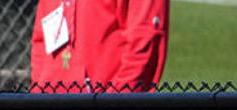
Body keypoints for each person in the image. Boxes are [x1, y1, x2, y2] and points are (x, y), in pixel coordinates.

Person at [31, 0, 168, 90]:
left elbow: (145, 41)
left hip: (103, 108)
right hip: (49, 109)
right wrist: (38, 94)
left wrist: (114, 104)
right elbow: (41, 39)